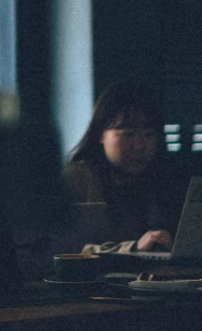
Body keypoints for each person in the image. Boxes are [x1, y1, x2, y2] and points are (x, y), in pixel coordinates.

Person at [62, 80, 178, 254]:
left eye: (149, 135)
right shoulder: (76, 179)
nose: (139, 146)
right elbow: (62, 250)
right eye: (128, 135)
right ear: (101, 134)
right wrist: (133, 248)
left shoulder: (165, 180)